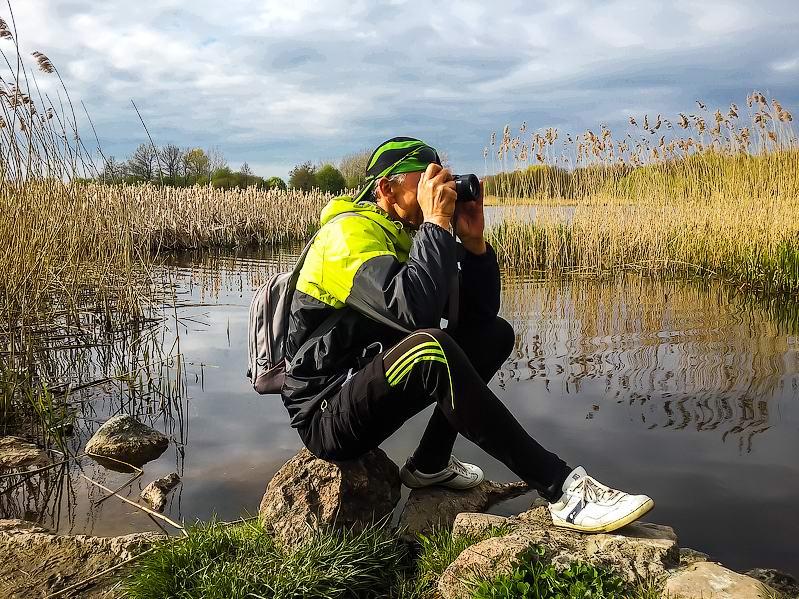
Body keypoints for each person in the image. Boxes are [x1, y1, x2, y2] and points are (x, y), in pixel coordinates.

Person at [281, 137, 653, 533]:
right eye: (425, 181)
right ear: (385, 189)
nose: (438, 189)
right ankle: (562, 490)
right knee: (429, 349)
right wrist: (436, 225)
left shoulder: (406, 236)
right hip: (326, 413)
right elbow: (412, 314)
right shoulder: (345, 237)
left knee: (493, 335)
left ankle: (429, 464)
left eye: (441, 179)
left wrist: (474, 245)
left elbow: (477, 315)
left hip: (363, 388)